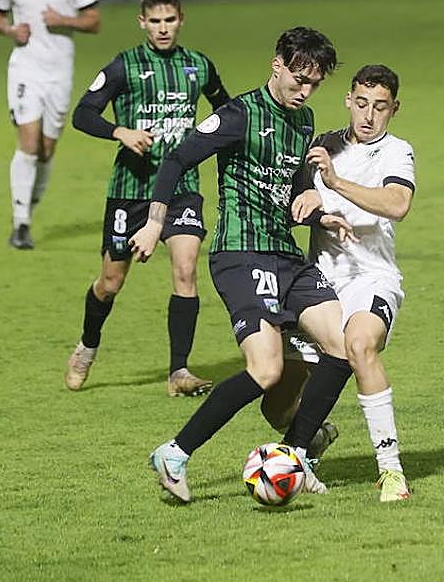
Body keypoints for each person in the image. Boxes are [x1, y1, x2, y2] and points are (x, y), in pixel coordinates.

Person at [136, 27, 352, 504]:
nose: (305, 91)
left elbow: (292, 187)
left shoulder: (303, 120)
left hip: (287, 257)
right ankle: (174, 453)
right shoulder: (238, 114)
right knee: (266, 370)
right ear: (277, 65)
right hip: (241, 256)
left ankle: (296, 454)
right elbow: (175, 161)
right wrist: (155, 222)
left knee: (346, 345)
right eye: (298, 78)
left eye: (314, 83)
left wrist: (318, 209)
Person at [66, 0, 229, 397]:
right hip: (131, 190)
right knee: (111, 283)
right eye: (154, 21)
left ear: (181, 20)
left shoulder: (199, 66)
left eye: (169, 20)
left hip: (181, 187)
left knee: (186, 268)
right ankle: (88, 344)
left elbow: (227, 112)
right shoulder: (125, 66)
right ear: (142, 22)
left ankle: (179, 372)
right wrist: (119, 131)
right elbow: (82, 114)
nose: (162, 29)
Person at [263, 64, 415, 502]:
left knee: (359, 345)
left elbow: (397, 203)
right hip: (317, 285)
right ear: (349, 100)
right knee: (275, 404)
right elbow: (291, 197)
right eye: (362, 104)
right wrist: (303, 198)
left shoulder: (396, 152)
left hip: (371, 278)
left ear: (394, 110)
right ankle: (311, 441)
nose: (369, 116)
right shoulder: (320, 145)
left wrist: (333, 183)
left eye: (380, 107)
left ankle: (391, 473)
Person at [0, 0, 102, 250]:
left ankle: (28, 207)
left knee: (46, 150)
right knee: (28, 141)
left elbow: (94, 21)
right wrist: (9, 29)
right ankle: (20, 224)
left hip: (60, 72)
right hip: (25, 69)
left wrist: (63, 20)